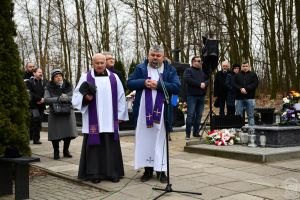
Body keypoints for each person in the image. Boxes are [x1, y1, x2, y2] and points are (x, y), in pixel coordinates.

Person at [127, 45, 180, 183]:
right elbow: (130, 83)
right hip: (144, 112)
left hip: (162, 112)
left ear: (163, 57)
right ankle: (148, 170)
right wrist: (144, 82)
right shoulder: (140, 68)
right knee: (145, 139)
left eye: (158, 56)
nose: (155, 58)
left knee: (160, 139)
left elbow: (176, 86)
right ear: (148, 55)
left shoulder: (170, 70)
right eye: (152, 55)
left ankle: (161, 171)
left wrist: (159, 85)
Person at [72, 53, 128, 184]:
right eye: (97, 63)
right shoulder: (86, 77)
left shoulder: (114, 78)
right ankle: (94, 173)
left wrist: (120, 115)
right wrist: (85, 98)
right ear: (92, 63)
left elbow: (121, 97)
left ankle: (113, 173)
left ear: (106, 63)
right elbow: (76, 96)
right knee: (94, 148)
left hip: (109, 119)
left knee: (110, 147)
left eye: (102, 62)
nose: (99, 65)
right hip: (94, 120)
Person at [44, 68, 78, 160]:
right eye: (56, 77)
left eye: (60, 76)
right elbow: (46, 99)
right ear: (53, 78)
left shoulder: (68, 85)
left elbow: (74, 97)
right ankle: (56, 152)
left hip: (68, 112)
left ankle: (66, 151)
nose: (58, 78)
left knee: (68, 132)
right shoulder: (48, 87)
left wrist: (66, 97)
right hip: (55, 113)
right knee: (55, 134)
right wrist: (58, 98)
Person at [183, 56, 208, 140]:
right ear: (193, 62)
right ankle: (187, 133)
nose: (201, 62)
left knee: (199, 115)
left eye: (201, 61)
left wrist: (205, 83)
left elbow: (208, 79)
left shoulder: (202, 71)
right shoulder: (188, 70)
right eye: (199, 61)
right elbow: (187, 79)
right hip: (192, 96)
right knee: (190, 115)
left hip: (201, 96)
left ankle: (196, 132)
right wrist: (199, 84)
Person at [232, 60, 259, 126]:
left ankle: (252, 130)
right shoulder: (237, 75)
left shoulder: (253, 74)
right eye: (243, 66)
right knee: (238, 116)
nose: (245, 67)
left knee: (251, 116)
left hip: (250, 98)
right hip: (239, 98)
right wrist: (240, 88)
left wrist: (246, 88)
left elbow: (255, 84)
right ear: (241, 67)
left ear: (249, 67)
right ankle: (238, 131)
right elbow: (234, 84)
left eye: (246, 66)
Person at [26, 68, 47, 144]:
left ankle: (36, 139)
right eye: (39, 72)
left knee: (39, 122)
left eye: (41, 72)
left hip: (42, 105)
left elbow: (46, 92)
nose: (41, 73)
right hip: (33, 105)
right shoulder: (29, 82)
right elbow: (30, 94)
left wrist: (43, 99)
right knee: (34, 121)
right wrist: (39, 99)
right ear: (34, 73)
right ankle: (30, 137)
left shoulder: (44, 82)